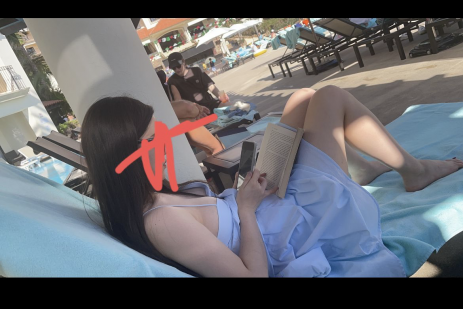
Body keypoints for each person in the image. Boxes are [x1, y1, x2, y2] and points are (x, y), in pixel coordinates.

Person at [80, 88, 463, 279]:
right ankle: (414, 171)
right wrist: (246, 208)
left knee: (303, 98)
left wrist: (243, 194)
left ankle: (357, 169)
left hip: (262, 202)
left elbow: (218, 221)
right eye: (154, 140)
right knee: (330, 98)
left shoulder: (153, 195)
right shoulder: (160, 221)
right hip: (288, 227)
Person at [156, 66, 225, 157]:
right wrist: (197, 109)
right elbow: (187, 108)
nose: (177, 69)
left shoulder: (195, 71)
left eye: (178, 66)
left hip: (206, 107)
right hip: (194, 115)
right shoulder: (172, 81)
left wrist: (222, 96)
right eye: (174, 68)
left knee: (209, 149)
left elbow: (211, 86)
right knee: (216, 147)